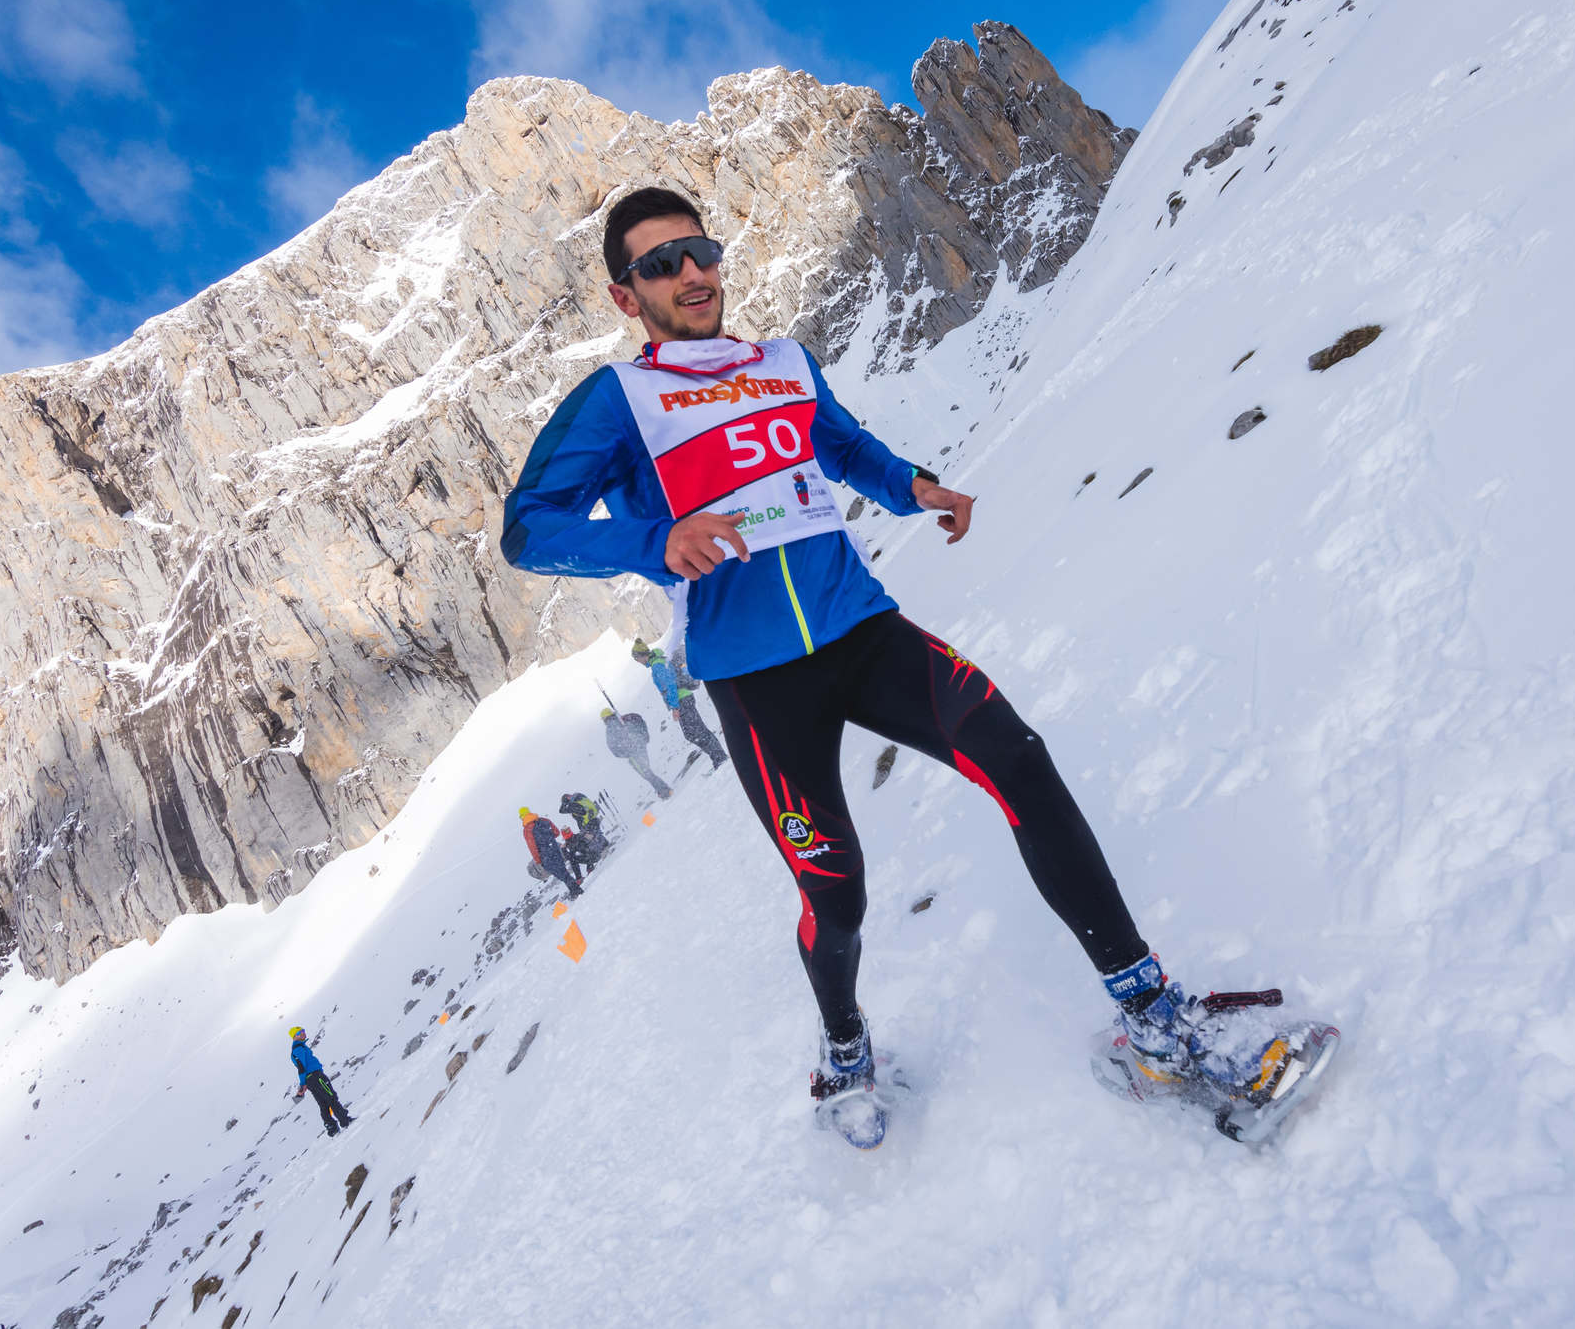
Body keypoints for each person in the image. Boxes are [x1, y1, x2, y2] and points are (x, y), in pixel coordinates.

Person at [500, 187, 1312, 1145]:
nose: (689, 273)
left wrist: (913, 486)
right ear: (624, 294)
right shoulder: (618, 400)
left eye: (699, 251)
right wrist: (656, 537)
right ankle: (844, 1041)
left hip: (865, 631)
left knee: (1019, 758)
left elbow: (837, 445)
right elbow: (531, 530)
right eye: (658, 264)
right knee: (835, 891)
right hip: (757, 684)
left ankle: (1153, 1019)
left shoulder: (784, 363)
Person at [634, 637, 727, 773]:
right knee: (692, 733)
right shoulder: (658, 661)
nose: (638, 662)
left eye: (637, 659)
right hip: (683, 698)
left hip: (682, 700)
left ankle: (720, 757)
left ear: (642, 656)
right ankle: (718, 757)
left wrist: (675, 707)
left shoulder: (657, 665)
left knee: (697, 731)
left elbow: (670, 685)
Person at [288, 1026, 353, 1136]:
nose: (304, 1033)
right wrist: (303, 1083)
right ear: (295, 1036)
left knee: (323, 1103)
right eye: (301, 1032)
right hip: (315, 1077)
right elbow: (301, 1067)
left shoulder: (299, 1047)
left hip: (312, 1079)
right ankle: (345, 1120)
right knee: (331, 1097)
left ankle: (332, 1128)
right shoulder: (298, 1049)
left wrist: (305, 1083)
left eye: (304, 1031)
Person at [600, 706, 671, 800]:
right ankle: (662, 790)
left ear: (605, 719)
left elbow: (613, 748)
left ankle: (664, 791)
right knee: (647, 771)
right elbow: (639, 722)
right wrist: (643, 738)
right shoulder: (623, 719)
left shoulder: (610, 729)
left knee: (646, 773)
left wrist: (626, 754)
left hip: (632, 754)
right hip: (641, 747)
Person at [519, 805, 582, 898]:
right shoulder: (543, 820)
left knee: (559, 873)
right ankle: (574, 890)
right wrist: (549, 839)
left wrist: (538, 860)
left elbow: (532, 847)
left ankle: (576, 890)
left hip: (545, 855)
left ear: (522, 817)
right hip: (555, 848)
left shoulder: (527, 829)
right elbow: (556, 832)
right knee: (562, 870)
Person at [558, 791, 611, 874]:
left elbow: (561, 810)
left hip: (587, 823)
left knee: (591, 840)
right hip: (593, 820)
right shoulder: (580, 798)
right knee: (595, 836)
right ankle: (605, 846)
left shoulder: (573, 805)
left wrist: (566, 804)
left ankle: (603, 851)